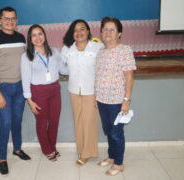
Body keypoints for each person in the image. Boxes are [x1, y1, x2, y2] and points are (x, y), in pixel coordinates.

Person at [0, 6, 31, 176]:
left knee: (16, 122)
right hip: (2, 88)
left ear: (16, 20)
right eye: (6, 18)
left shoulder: (21, 37)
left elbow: (26, 63)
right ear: (0, 20)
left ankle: (17, 150)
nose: (10, 21)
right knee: (5, 124)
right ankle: (2, 159)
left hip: (19, 88)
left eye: (13, 18)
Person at [95, 17, 136, 176]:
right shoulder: (100, 51)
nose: (108, 33)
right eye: (105, 29)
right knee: (108, 130)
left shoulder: (125, 50)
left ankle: (119, 163)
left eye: (112, 30)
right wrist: (96, 97)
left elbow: (129, 77)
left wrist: (126, 101)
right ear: (101, 32)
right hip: (102, 100)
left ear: (119, 33)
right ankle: (112, 156)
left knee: (116, 133)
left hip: (117, 101)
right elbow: (98, 75)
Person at [21, 24, 68, 161]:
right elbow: (25, 79)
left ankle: (52, 147)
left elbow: (63, 70)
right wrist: (29, 101)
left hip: (54, 89)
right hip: (38, 92)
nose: (37, 37)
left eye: (40, 34)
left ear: (45, 35)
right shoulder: (26, 56)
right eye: (33, 35)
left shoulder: (53, 51)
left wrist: (77, 64)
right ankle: (46, 149)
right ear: (29, 38)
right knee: (42, 123)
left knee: (54, 121)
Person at [61, 19, 104, 166]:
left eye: (82, 29)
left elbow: (102, 69)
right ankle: (81, 149)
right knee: (78, 122)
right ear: (72, 34)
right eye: (75, 30)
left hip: (91, 91)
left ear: (88, 31)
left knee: (89, 122)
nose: (79, 33)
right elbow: (62, 68)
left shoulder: (98, 47)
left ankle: (87, 153)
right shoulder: (67, 49)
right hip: (74, 90)